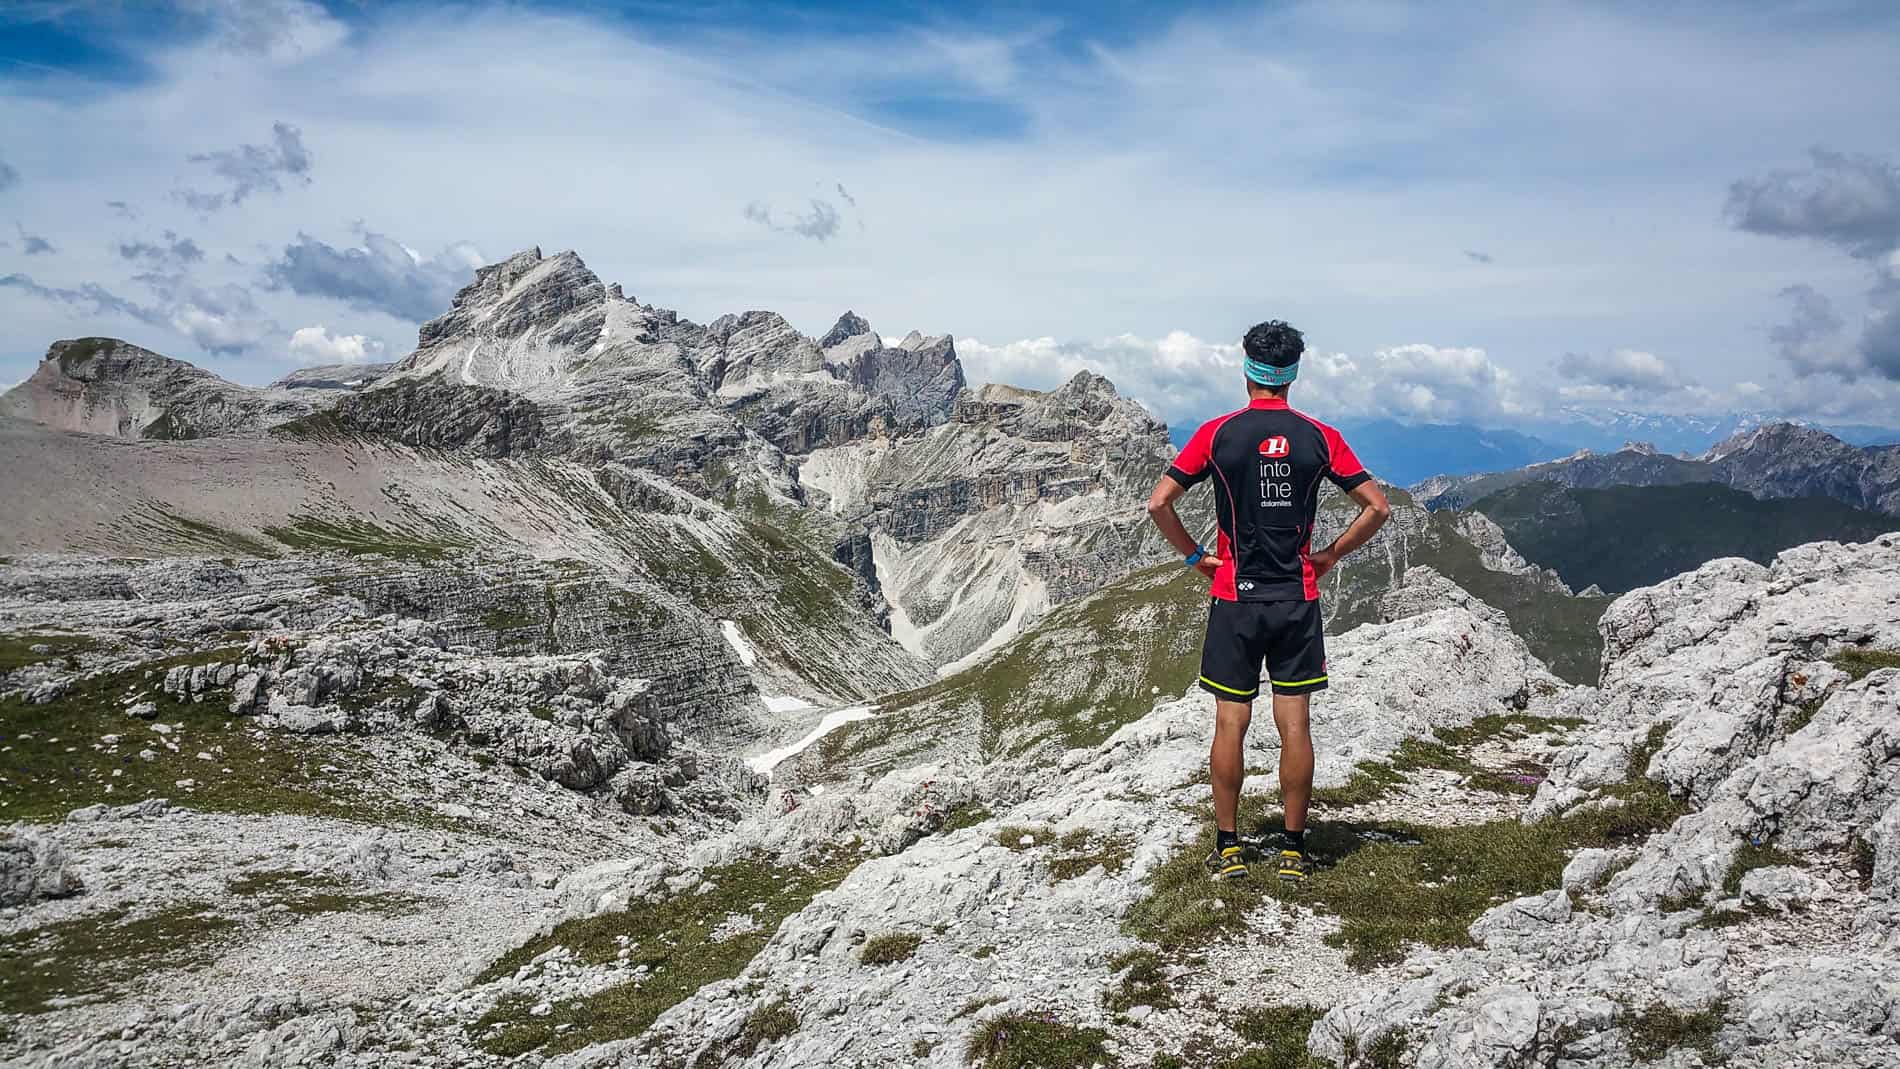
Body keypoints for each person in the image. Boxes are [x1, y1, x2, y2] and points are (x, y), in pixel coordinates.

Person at [1145, 320, 1390, 883]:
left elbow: (1160, 503)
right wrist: (1328, 556)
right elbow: (1377, 507)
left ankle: (1229, 846)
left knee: (1230, 723)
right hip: (1295, 597)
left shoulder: (1218, 433)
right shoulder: (1320, 437)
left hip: (1235, 595)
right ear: (1293, 373)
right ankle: (1293, 850)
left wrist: (1194, 557)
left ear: (1247, 368)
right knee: (1295, 724)